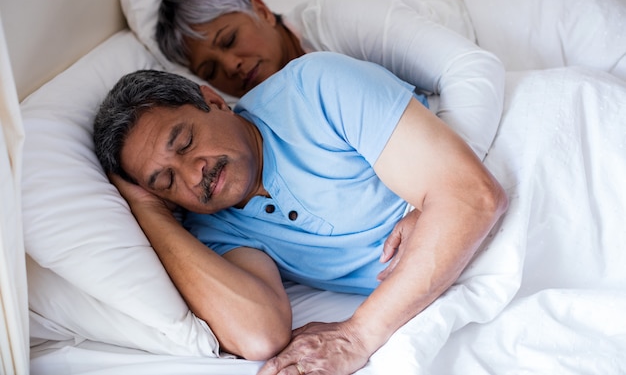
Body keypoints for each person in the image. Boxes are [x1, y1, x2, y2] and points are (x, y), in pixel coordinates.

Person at [93, 52, 509, 375]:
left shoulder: (315, 88)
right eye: (166, 181)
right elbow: (259, 335)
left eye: (185, 143)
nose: (193, 173)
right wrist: (151, 213)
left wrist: (357, 334)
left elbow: (474, 197)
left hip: (531, 199)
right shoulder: (212, 230)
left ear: (213, 101)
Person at [156, 0, 506, 161]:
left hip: (508, 38)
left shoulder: (337, 13)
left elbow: (470, 67)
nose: (231, 66)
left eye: (230, 40)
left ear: (260, 9)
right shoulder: (258, 114)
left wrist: (444, 184)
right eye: (211, 72)